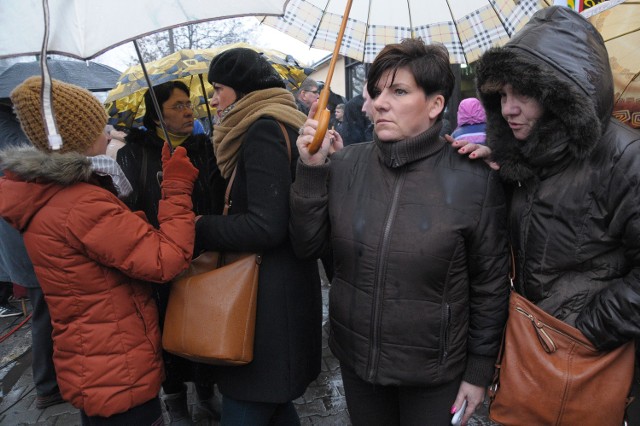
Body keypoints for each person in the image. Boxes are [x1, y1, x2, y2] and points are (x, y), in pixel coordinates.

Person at [290, 38, 510, 426]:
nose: (380, 103)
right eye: (376, 92)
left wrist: (478, 372)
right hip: (358, 364)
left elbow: (490, 288)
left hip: (432, 373)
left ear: (435, 105)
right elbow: (308, 246)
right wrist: (310, 169)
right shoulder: (347, 165)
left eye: (399, 91)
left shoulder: (474, 179)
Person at [451, 6, 640, 422]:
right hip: (529, 349)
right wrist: (501, 171)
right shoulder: (527, 156)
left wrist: (588, 329)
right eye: (501, 95)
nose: (508, 109)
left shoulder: (625, 157)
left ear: (560, 94)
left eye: (523, 94)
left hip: (588, 355)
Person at [0, 76, 199, 424]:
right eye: (99, 126)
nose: (108, 133)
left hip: (95, 359)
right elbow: (165, 260)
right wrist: (178, 189)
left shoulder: (52, 194)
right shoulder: (79, 204)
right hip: (117, 368)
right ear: (74, 139)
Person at [197, 47, 322, 425]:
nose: (214, 98)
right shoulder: (278, 120)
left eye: (220, 88)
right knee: (273, 401)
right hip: (275, 289)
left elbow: (265, 225)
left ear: (244, 87)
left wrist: (199, 225)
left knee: (249, 400)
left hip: (265, 298)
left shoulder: (263, 128)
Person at [116, 80, 223, 425]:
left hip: (203, 254)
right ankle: (175, 401)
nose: (188, 110)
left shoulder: (205, 146)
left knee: (205, 326)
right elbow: (127, 206)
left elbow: (217, 197)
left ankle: (206, 395)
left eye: (189, 103)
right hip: (157, 259)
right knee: (166, 332)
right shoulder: (133, 152)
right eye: (177, 105)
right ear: (156, 113)